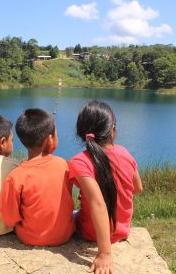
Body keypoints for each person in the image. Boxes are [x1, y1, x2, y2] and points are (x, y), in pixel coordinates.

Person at [69, 100, 143, 273]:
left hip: (90, 233)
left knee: (70, 214)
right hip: (122, 231)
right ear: (112, 130)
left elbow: (98, 204)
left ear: (81, 132)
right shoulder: (124, 153)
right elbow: (138, 188)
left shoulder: (79, 162)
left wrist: (104, 253)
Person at [0, 108, 75, 246]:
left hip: (29, 238)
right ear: (50, 139)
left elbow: (10, 219)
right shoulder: (65, 165)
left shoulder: (16, 176)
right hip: (65, 235)